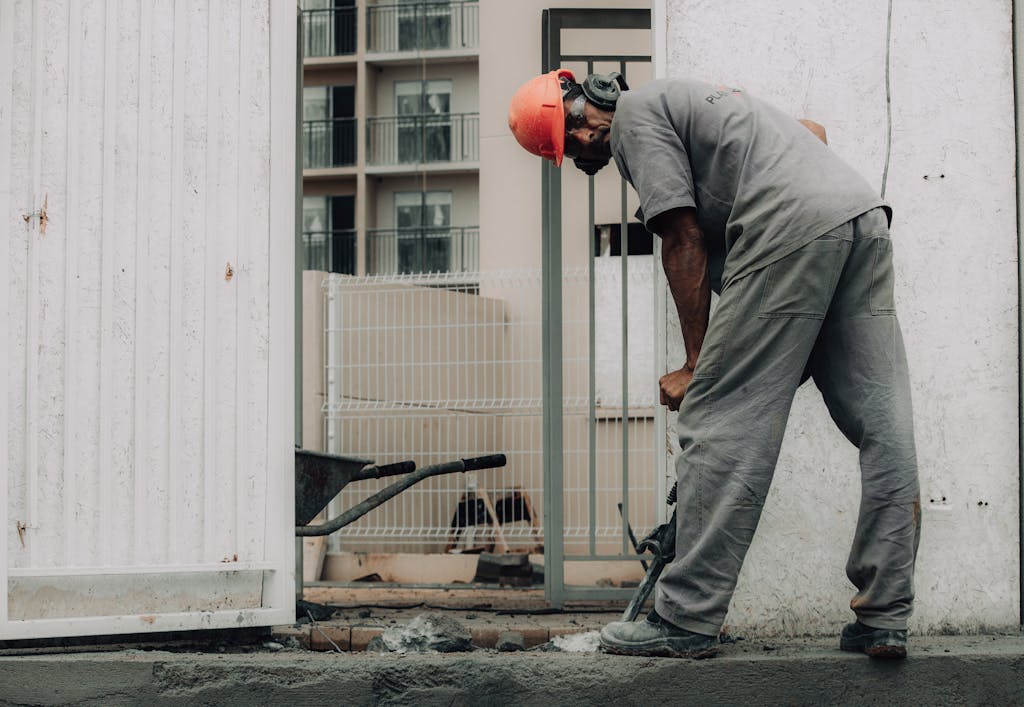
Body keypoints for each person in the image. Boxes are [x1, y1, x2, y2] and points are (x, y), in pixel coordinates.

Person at [507, 70, 921, 659]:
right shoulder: (703, 103)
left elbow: (680, 238)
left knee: (717, 420)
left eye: (571, 138)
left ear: (584, 107)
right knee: (886, 426)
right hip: (859, 218)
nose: (581, 150)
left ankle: (686, 618)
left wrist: (698, 363)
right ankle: (885, 616)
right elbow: (813, 132)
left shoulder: (634, 117)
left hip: (792, 231)